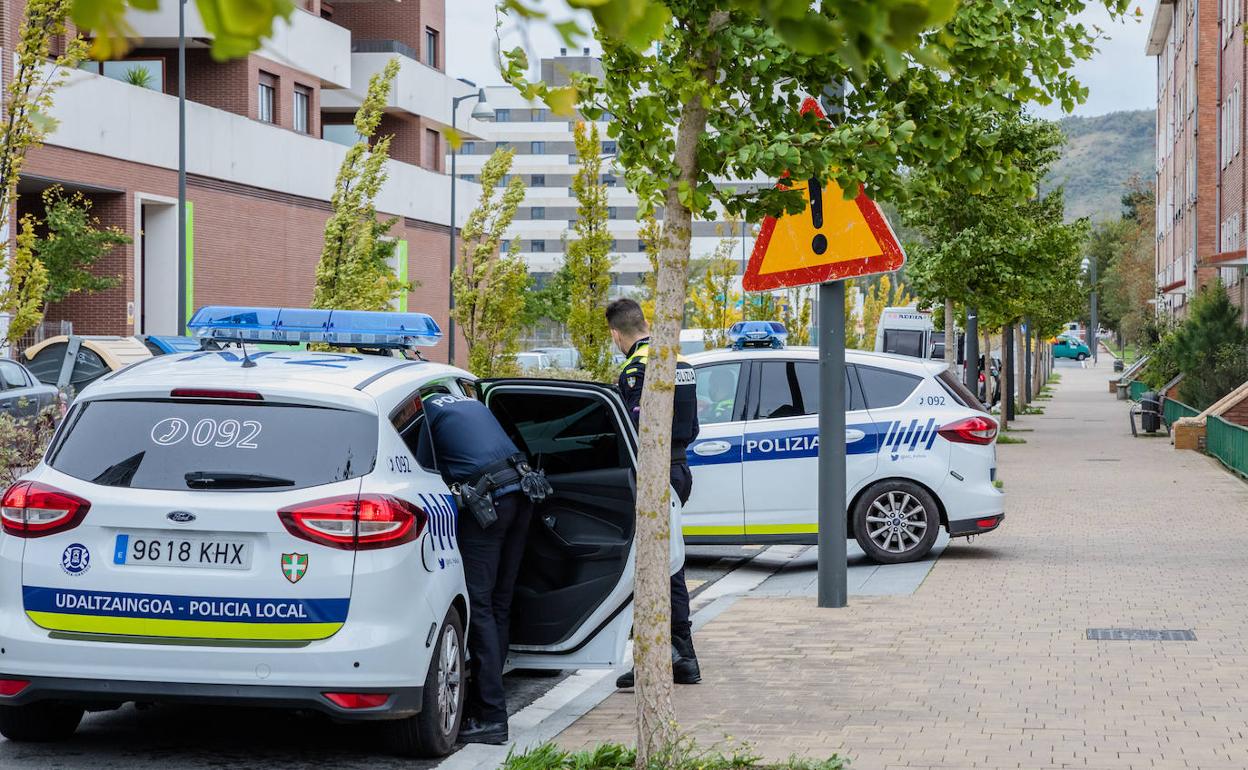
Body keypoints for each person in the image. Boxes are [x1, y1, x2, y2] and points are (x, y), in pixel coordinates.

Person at [416, 391, 547, 745]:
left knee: (481, 605)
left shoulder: (425, 413)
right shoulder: (465, 401)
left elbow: (423, 471)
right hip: (522, 493)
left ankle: (491, 716)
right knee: (499, 603)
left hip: (488, 505)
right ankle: (488, 703)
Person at [604, 298, 701, 688]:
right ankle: (680, 656)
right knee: (669, 563)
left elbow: (633, 432)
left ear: (615, 333)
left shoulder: (634, 369)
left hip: (654, 472)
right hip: (679, 468)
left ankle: (667, 656)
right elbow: (691, 425)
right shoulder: (680, 361)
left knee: (654, 568)